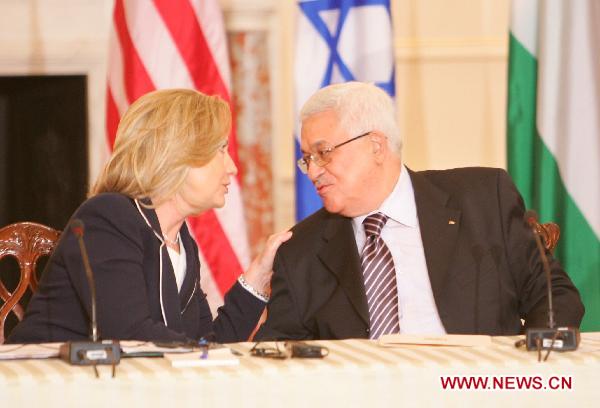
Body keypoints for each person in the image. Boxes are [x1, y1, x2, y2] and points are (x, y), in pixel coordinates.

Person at [255, 81, 584, 341]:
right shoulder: (302, 251)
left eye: (323, 153)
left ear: (376, 146)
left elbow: (555, 297)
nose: (312, 171)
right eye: (307, 158)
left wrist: (519, 376)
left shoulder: (483, 200)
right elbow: (278, 352)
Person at [8, 89, 291, 344]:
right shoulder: (109, 217)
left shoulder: (181, 240)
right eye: (220, 150)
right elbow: (130, 335)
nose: (232, 168)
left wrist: (257, 278)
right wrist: (203, 353)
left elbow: (210, 344)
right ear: (176, 156)